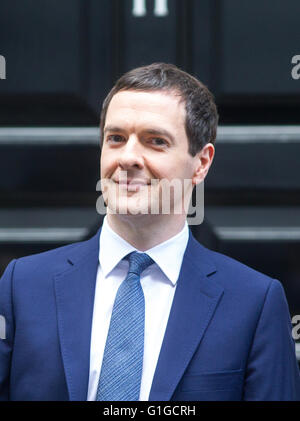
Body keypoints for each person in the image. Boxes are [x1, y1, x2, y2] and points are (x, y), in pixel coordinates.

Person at [0, 63, 299, 401]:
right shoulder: (22, 286)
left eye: (155, 141)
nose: (128, 157)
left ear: (201, 163)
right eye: (116, 138)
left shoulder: (254, 303)